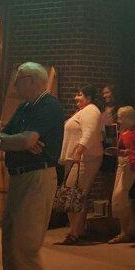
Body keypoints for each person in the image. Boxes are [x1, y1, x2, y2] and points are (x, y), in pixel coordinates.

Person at [0, 62, 63, 270]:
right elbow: (8, 134)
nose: (15, 86)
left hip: (37, 177)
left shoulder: (47, 105)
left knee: (25, 244)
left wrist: (8, 140)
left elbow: (26, 140)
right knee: (10, 244)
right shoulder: (27, 107)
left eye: (18, 81)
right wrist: (10, 140)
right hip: (20, 175)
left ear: (31, 80)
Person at [58, 84, 103, 245]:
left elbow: (88, 133)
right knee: (76, 195)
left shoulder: (91, 111)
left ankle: (74, 232)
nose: (76, 98)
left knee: (74, 193)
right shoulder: (83, 112)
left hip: (85, 159)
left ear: (88, 98)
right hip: (77, 158)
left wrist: (78, 152)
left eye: (79, 95)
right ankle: (78, 229)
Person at [108, 105, 135, 244]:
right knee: (119, 198)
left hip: (131, 165)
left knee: (121, 195)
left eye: (121, 117)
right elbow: (122, 148)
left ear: (128, 117)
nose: (118, 120)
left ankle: (126, 230)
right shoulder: (123, 130)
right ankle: (126, 229)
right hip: (122, 163)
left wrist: (129, 152)